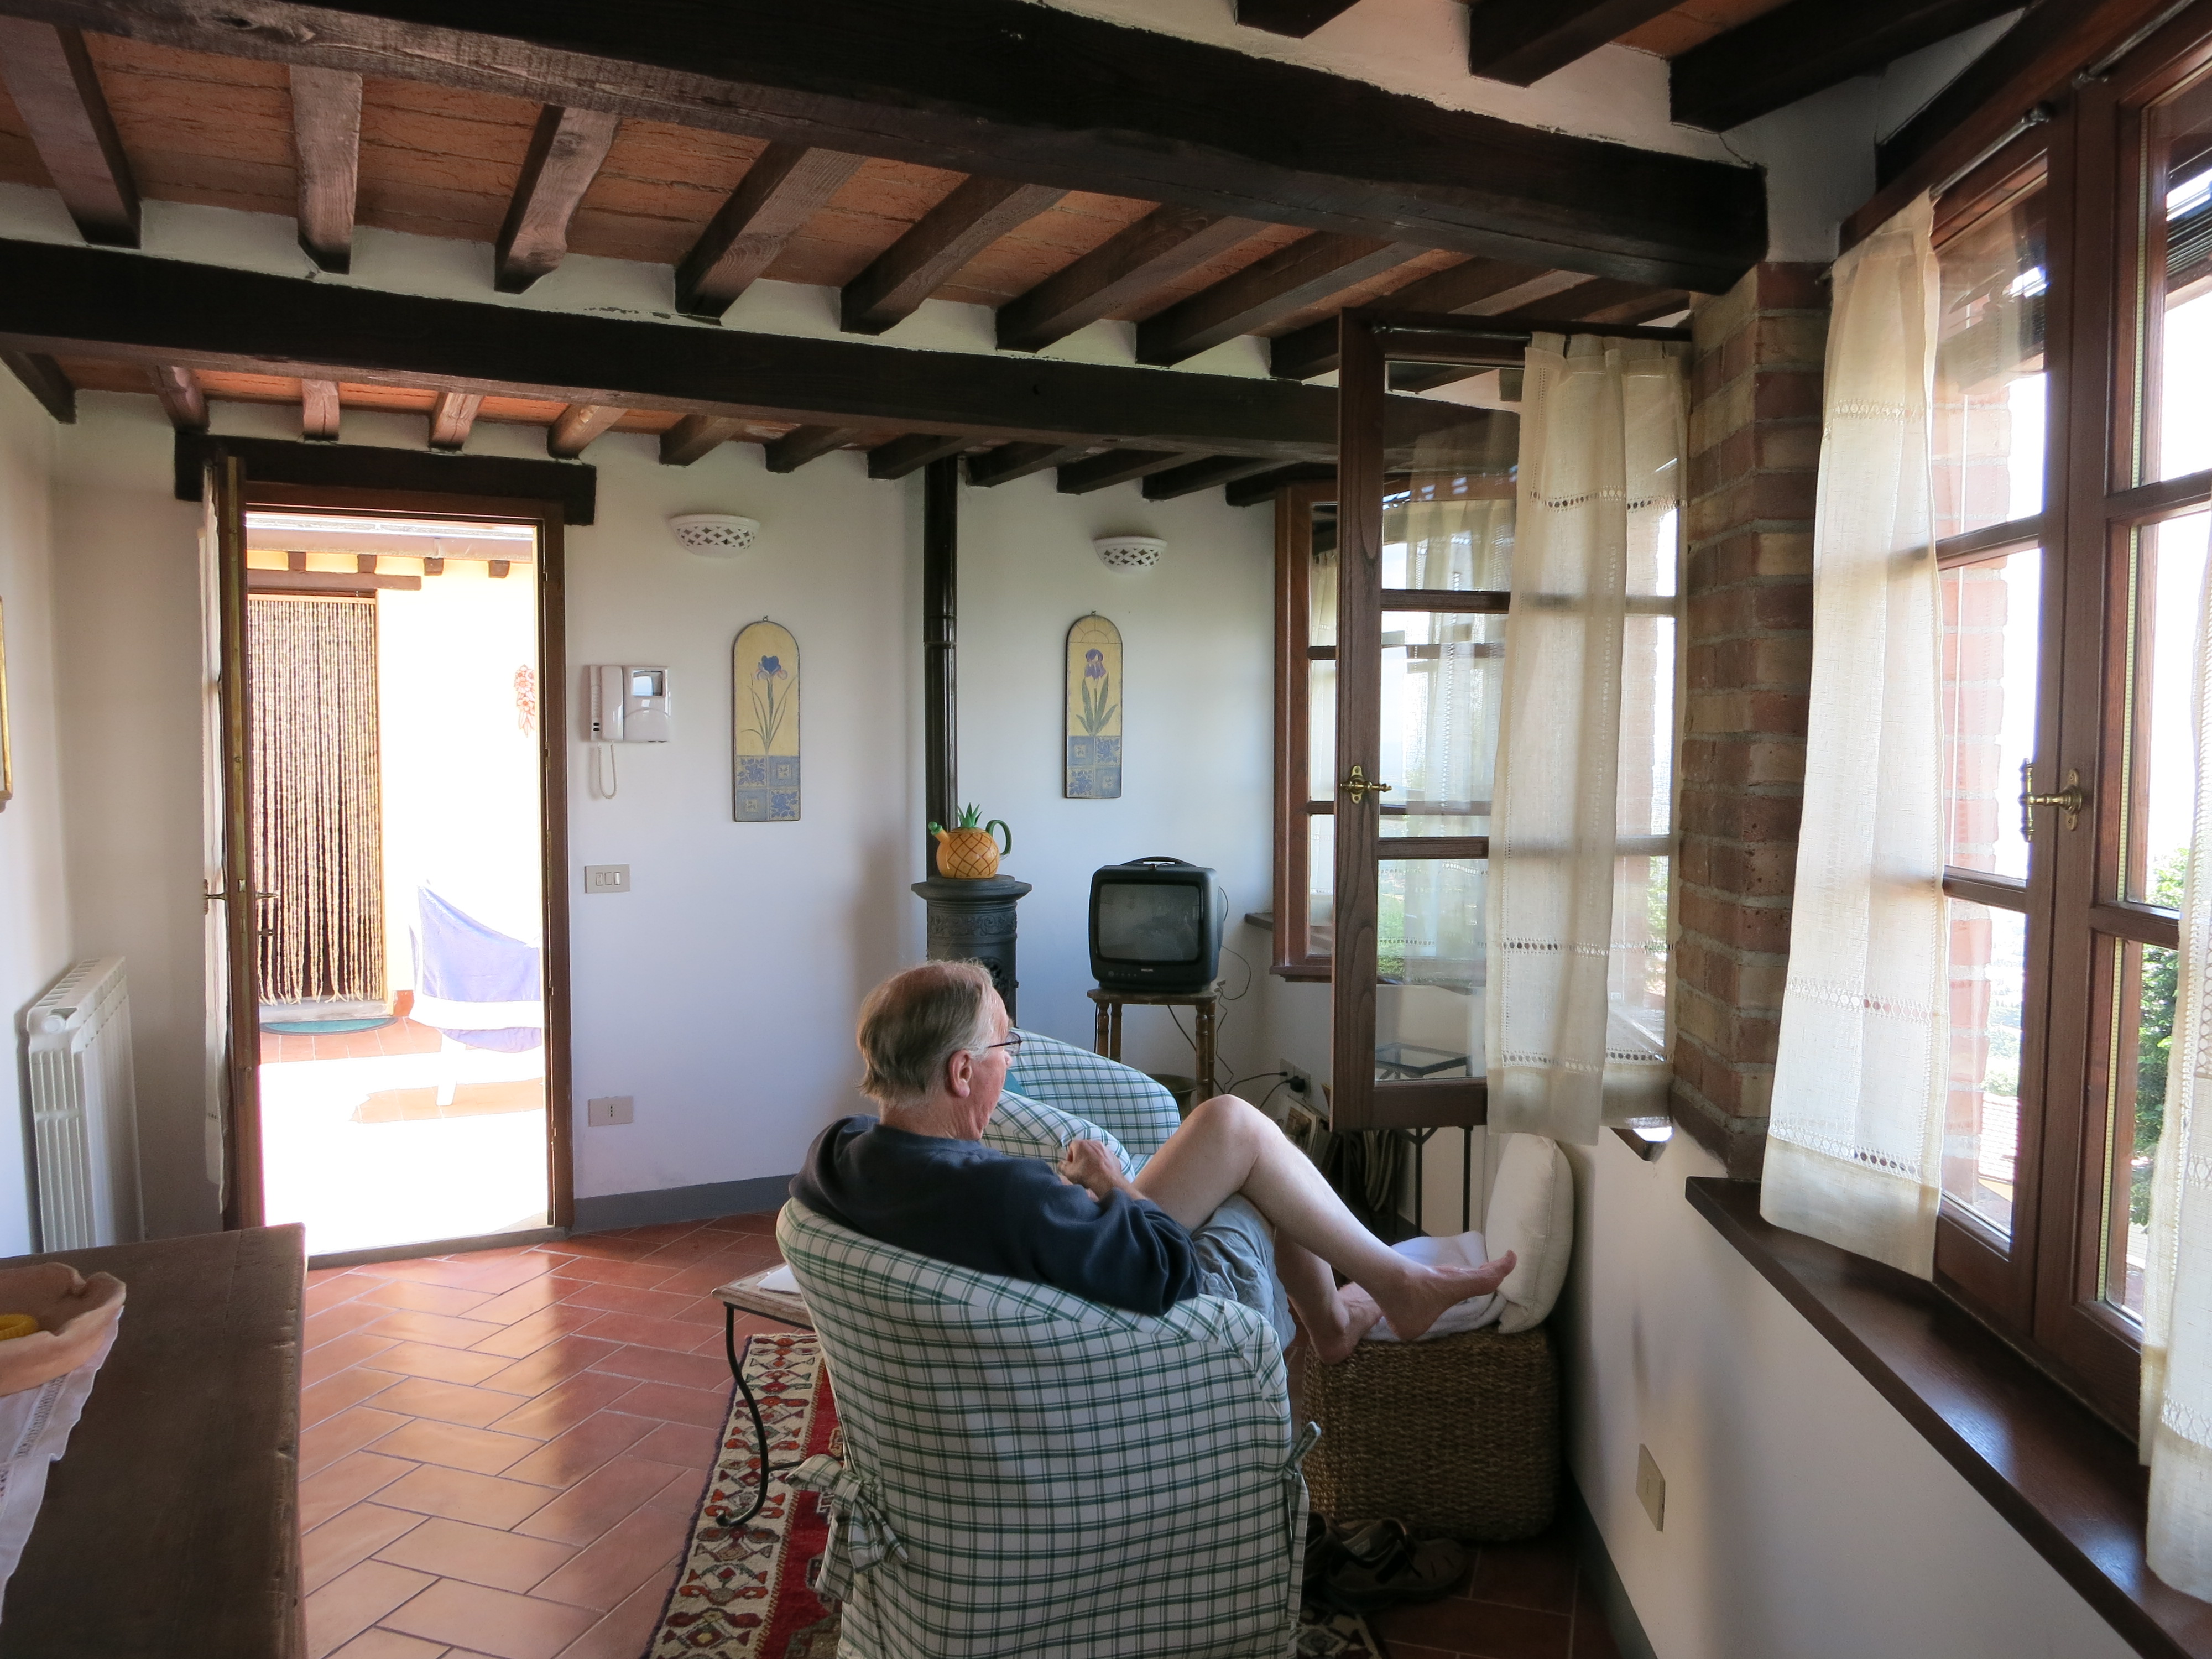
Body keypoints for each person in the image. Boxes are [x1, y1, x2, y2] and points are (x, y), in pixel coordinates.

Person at [792, 960, 1514, 1361]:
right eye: (1004, 1045)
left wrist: (1082, 1197)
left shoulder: (836, 1155)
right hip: (1139, 1312)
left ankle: (1357, 1305)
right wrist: (1112, 1186)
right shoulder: (1008, 1191)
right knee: (1246, 1152)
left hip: (1071, 1261)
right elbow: (1167, 1269)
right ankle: (1379, 1294)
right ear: (959, 1073)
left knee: (1227, 1124)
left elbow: (1012, 1217)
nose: (1010, 1063)